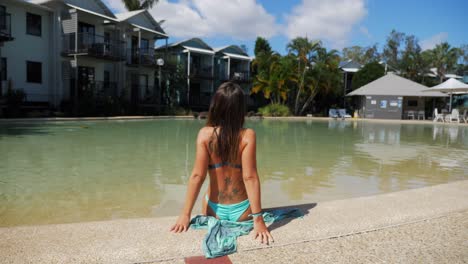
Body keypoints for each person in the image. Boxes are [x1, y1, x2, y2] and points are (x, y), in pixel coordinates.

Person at [170, 82, 273, 245]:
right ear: (240, 109)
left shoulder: (204, 135)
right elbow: (250, 177)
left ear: (215, 106)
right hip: (243, 211)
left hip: (213, 210)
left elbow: (197, 176)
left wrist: (185, 214)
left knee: (206, 190)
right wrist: (258, 220)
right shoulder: (247, 135)